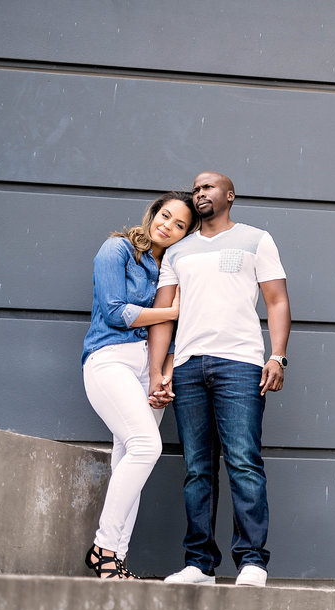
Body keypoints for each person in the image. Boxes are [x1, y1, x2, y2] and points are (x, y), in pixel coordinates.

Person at [148, 171, 290, 587]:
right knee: (197, 468)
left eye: (208, 187)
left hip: (241, 364)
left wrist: (277, 356)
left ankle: (252, 562)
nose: (199, 193)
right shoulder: (179, 250)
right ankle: (199, 564)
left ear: (229, 195)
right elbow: (162, 314)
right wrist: (158, 372)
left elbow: (277, 300)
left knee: (244, 462)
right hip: (189, 367)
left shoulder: (256, 239)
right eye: (195, 189)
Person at [81, 191, 199, 579]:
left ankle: (116, 560)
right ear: (154, 213)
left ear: (187, 234)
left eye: (179, 224)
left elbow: (177, 332)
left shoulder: (176, 270)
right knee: (147, 446)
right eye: (165, 216)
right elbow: (116, 312)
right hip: (110, 358)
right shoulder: (117, 249)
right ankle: (103, 547)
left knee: (128, 462)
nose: (167, 226)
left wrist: (164, 372)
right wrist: (171, 310)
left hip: (150, 369)